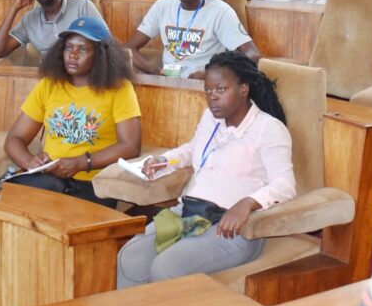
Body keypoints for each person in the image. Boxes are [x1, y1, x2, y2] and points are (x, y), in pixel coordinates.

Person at [116, 51, 295, 288]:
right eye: (208, 90)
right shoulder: (211, 118)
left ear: (244, 89)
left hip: (231, 228)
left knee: (166, 268)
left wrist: (247, 203)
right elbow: (193, 149)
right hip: (190, 212)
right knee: (129, 257)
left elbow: (285, 185)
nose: (212, 97)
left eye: (221, 89)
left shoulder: (268, 128)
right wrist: (165, 161)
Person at [4, 16, 141, 208]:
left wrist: (80, 163)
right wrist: (30, 162)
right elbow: (15, 138)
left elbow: (131, 146)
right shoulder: (49, 85)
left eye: (83, 49)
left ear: (101, 54)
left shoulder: (120, 89)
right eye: (69, 47)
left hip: (94, 183)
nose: (73, 54)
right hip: (49, 179)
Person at [127, 0, 260, 79]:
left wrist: (211, 73)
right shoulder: (162, 6)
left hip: (204, 84)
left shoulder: (221, 12)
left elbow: (252, 54)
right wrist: (153, 72)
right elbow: (129, 48)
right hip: (168, 79)